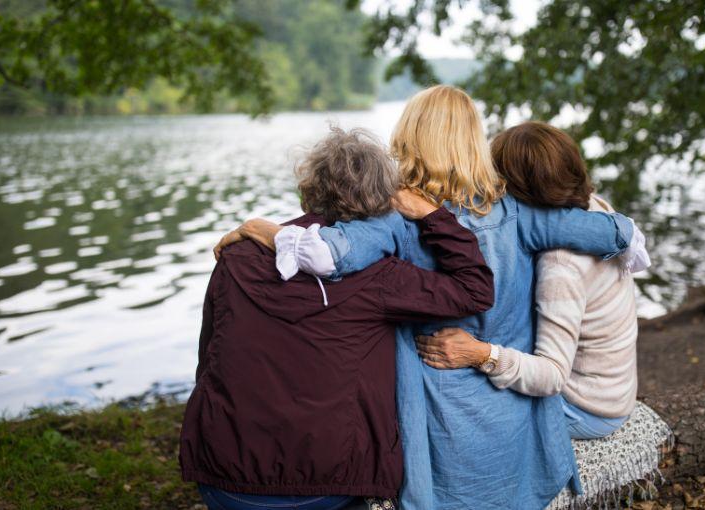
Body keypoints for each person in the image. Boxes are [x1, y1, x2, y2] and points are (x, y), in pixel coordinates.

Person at [217, 86, 644, 509]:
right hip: (514, 418)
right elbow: (618, 233)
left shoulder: (393, 217)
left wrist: (260, 229)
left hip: (439, 428)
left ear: (408, 138)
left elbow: (325, 255)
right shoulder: (519, 212)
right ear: (476, 143)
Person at [180, 127, 495, 510]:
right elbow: (475, 289)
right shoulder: (382, 276)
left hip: (223, 475)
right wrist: (434, 215)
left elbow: (209, 360)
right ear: (383, 200)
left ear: (308, 189)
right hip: (326, 483)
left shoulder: (236, 256)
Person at [414, 121, 646, 440]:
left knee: (456, 406)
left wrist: (479, 353)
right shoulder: (594, 212)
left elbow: (551, 376)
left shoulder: (561, 265)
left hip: (585, 408)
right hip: (612, 388)